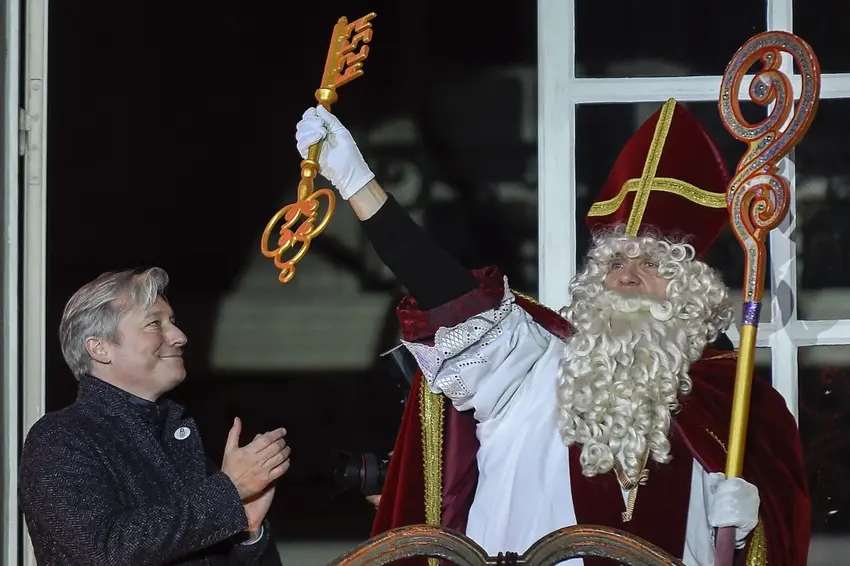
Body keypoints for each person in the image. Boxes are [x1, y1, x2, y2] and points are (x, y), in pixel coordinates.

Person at [293, 100, 810, 566]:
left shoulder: (733, 408)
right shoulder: (530, 363)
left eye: (652, 263)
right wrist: (357, 182)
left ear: (689, 290)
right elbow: (447, 293)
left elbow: (769, 544)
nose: (627, 276)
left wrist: (748, 534)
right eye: (614, 262)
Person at [19, 267, 288, 565]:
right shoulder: (60, 439)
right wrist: (228, 492)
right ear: (100, 348)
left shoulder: (177, 439)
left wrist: (248, 533)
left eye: (172, 322)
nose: (179, 336)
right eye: (154, 324)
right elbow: (104, 552)